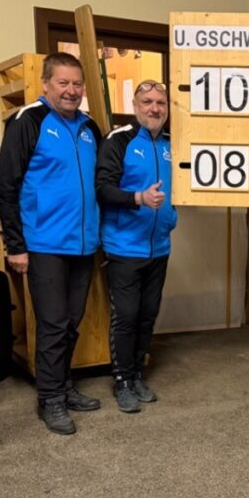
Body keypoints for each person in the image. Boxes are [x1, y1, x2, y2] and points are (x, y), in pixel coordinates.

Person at [0, 52, 103, 435]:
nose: (71, 90)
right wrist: (16, 245)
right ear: (46, 84)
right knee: (53, 325)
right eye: (63, 82)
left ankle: (63, 384)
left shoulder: (89, 128)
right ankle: (51, 399)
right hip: (44, 244)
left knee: (71, 323)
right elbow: (5, 185)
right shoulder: (28, 121)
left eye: (77, 83)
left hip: (83, 245)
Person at [95, 80, 176, 413]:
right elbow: (102, 189)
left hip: (159, 246)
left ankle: (137, 374)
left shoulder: (172, 144)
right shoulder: (119, 140)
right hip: (124, 246)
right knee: (126, 316)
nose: (154, 108)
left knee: (147, 315)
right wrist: (138, 198)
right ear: (135, 105)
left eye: (160, 102)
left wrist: (172, 216)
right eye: (147, 101)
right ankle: (122, 381)